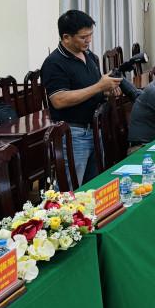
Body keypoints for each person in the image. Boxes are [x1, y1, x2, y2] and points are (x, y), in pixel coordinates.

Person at [41, 10, 122, 183]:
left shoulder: (89, 56)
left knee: (94, 186)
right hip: (73, 134)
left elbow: (90, 90)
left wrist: (106, 90)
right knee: (71, 187)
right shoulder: (54, 63)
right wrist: (99, 86)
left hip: (96, 130)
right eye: (83, 37)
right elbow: (59, 100)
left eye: (90, 35)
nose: (89, 40)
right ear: (66, 37)